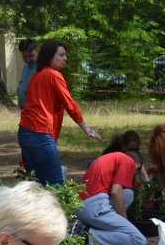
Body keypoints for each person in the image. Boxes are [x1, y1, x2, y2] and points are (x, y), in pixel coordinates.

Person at [18, 40, 104, 185]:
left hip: (24, 133)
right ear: (51, 57)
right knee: (56, 183)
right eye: (62, 55)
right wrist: (86, 128)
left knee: (38, 184)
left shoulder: (36, 75)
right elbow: (69, 104)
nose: (66, 58)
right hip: (40, 133)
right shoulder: (54, 75)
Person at [76, 151, 147, 245]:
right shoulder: (128, 161)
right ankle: (86, 236)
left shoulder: (113, 158)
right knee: (139, 240)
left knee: (128, 194)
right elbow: (115, 192)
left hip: (82, 207)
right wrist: (126, 223)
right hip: (95, 206)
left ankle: (87, 228)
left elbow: (118, 192)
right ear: (137, 167)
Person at [16, 38, 38, 110]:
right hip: (25, 111)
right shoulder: (25, 67)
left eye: (30, 56)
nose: (27, 59)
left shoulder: (42, 68)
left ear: (36, 51)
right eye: (24, 57)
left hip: (35, 112)